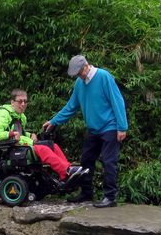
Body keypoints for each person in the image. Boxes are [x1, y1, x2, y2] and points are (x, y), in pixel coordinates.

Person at [43, 55, 128, 208]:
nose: (79, 76)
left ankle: (110, 197)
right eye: (76, 74)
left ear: (86, 66)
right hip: (93, 128)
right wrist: (54, 121)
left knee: (109, 162)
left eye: (79, 73)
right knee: (86, 160)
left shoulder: (103, 76)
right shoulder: (79, 83)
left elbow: (117, 100)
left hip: (110, 126)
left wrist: (122, 127)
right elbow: (71, 106)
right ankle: (86, 193)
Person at [0, 89, 87, 185]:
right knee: (43, 149)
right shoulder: (3, 114)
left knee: (53, 146)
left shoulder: (21, 116)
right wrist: (11, 134)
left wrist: (30, 135)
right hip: (11, 148)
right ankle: (67, 170)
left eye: (25, 101)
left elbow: (21, 133)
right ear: (12, 102)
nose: (23, 104)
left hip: (22, 144)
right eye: (20, 101)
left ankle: (66, 175)